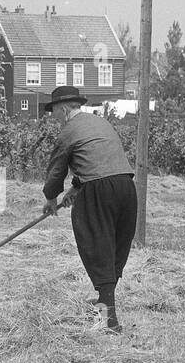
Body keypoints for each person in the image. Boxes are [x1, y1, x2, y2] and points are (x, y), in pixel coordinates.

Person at [40, 84, 137, 333]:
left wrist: (51, 199)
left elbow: (56, 170)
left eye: (54, 112)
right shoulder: (99, 122)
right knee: (114, 249)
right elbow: (97, 158)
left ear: (63, 109)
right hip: (126, 186)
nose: (54, 117)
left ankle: (107, 320)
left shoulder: (69, 131)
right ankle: (107, 310)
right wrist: (76, 187)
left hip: (100, 191)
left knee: (96, 245)